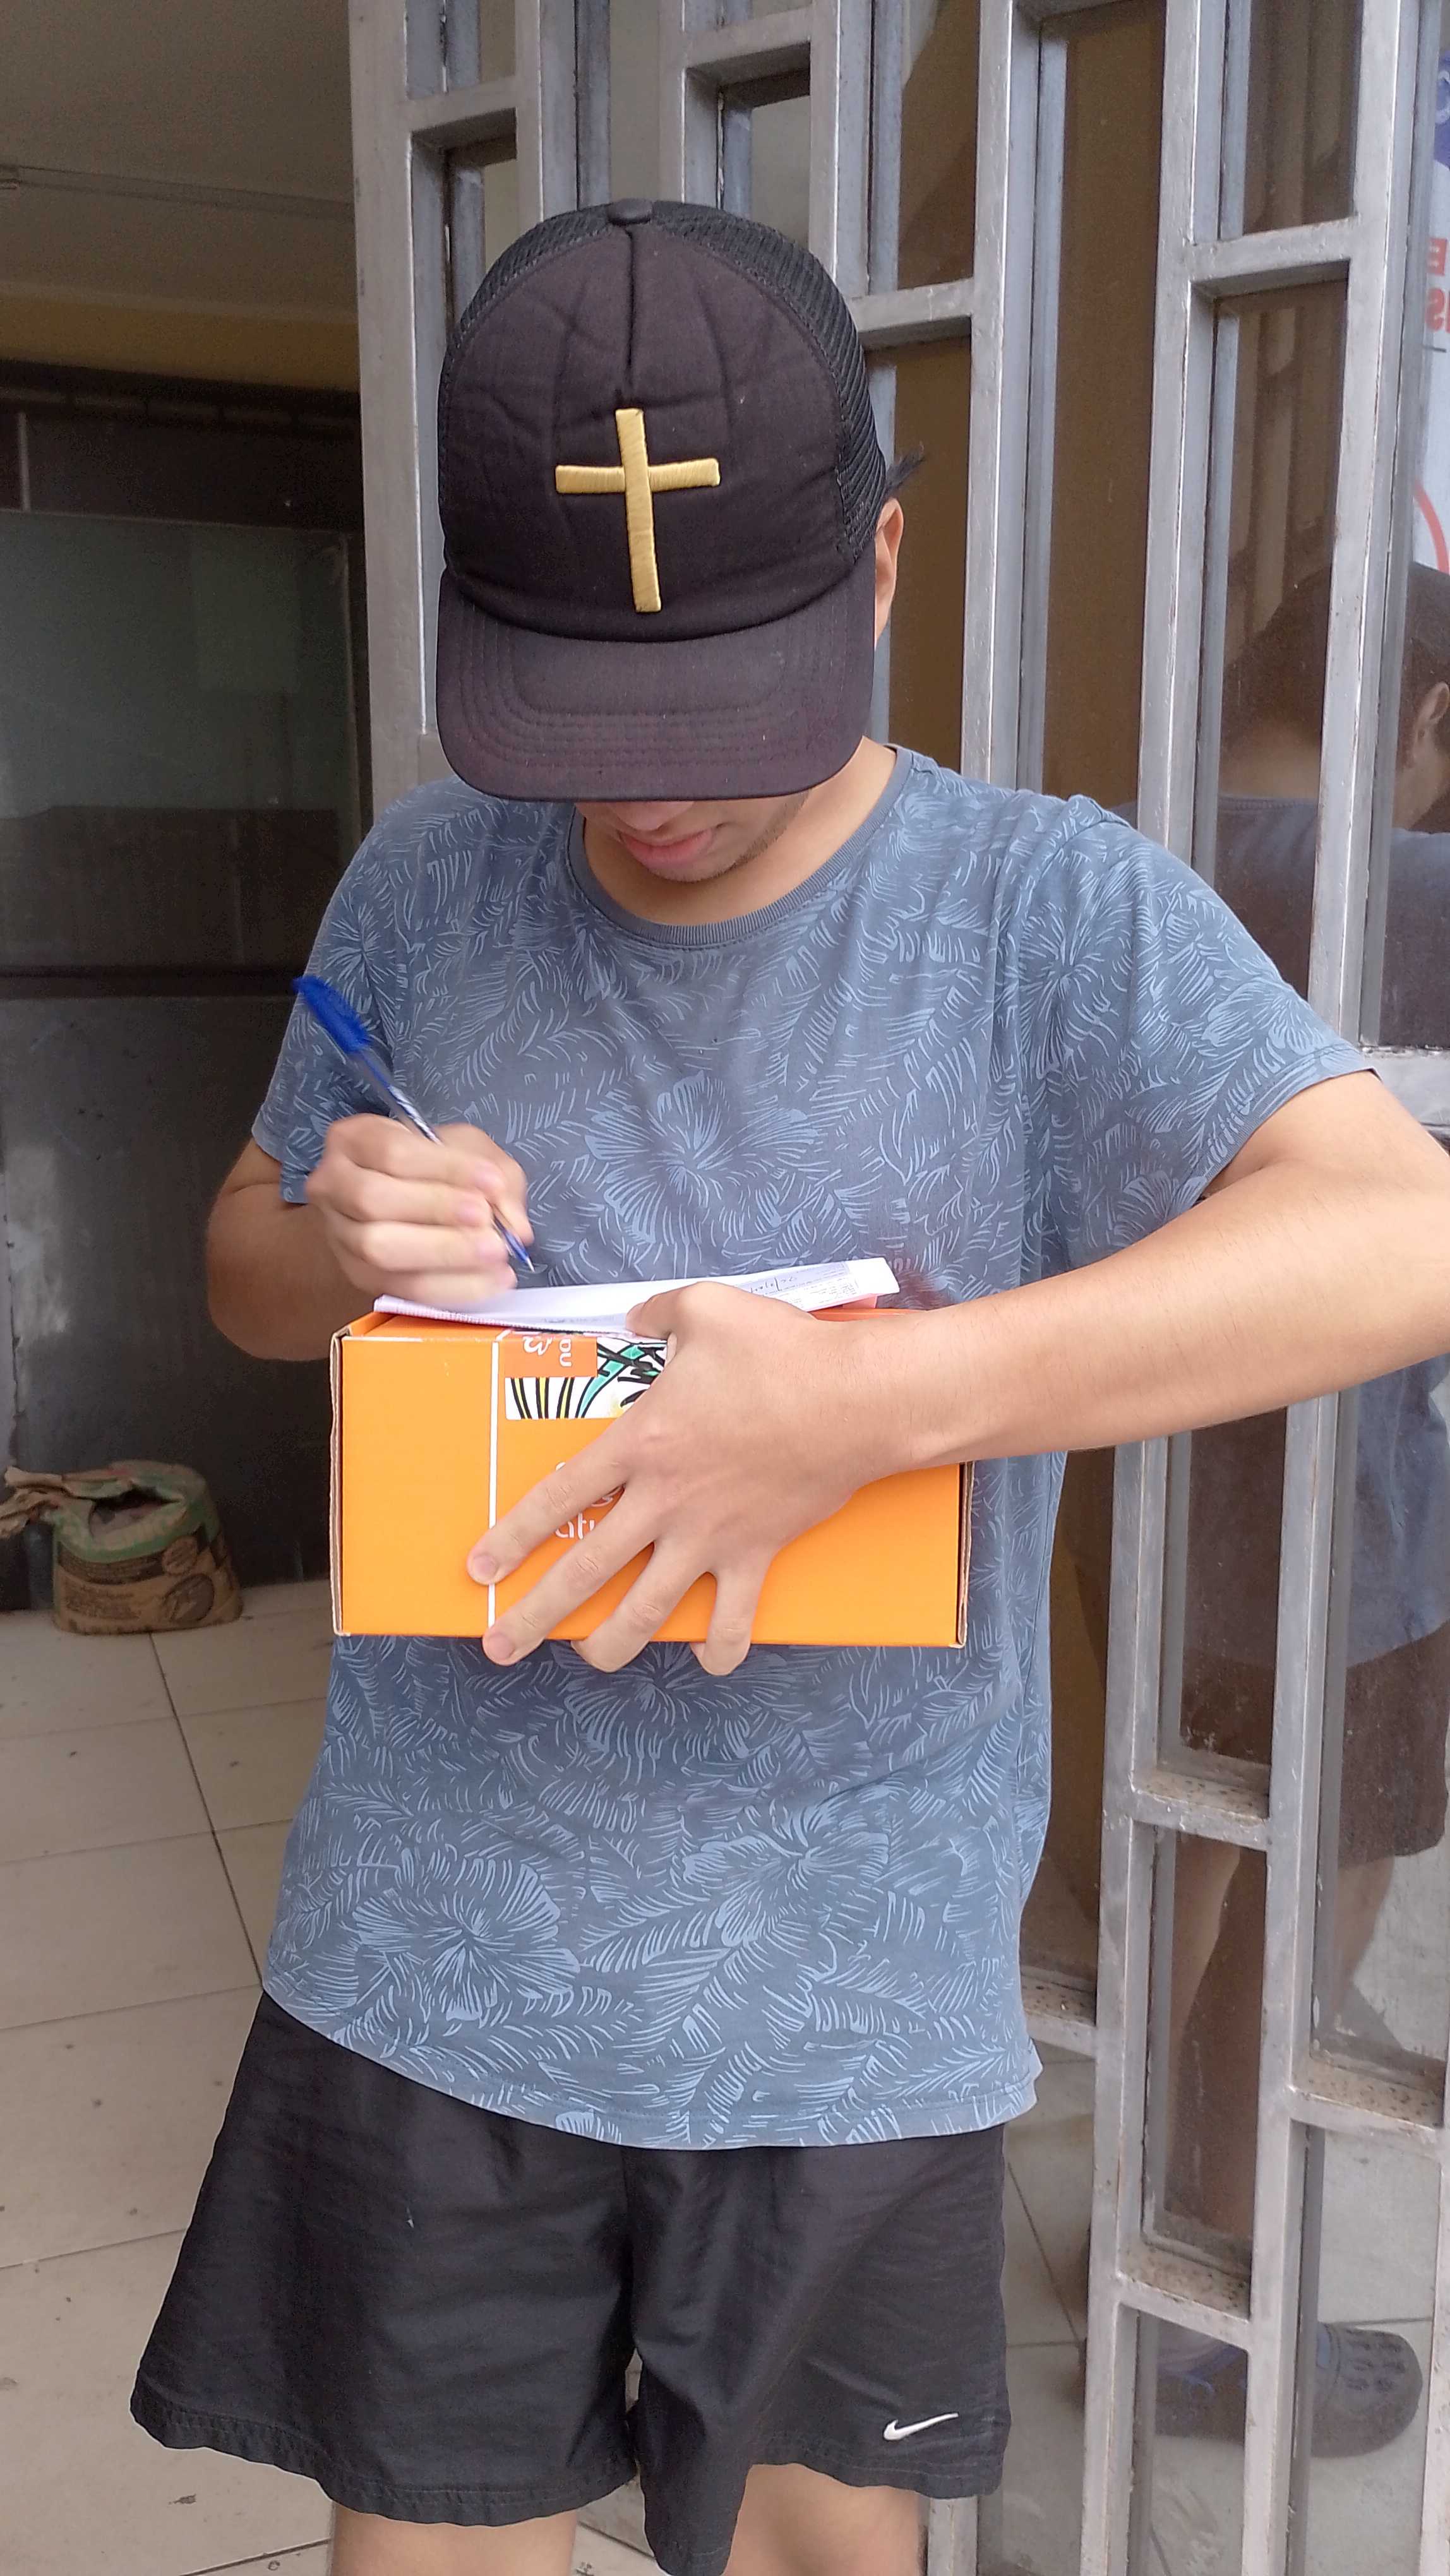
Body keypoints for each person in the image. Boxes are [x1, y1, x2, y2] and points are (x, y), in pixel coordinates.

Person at [130, 203, 1450, 2576]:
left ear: (880, 570)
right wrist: (330, 1242)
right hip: (435, 1955)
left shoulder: (1043, 914)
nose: (653, 802)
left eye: (718, 718)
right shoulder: (426, 889)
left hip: (842, 2002)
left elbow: (1397, 1235)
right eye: (581, 719)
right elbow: (242, 1272)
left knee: (825, 2553)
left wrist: (874, 1404)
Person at [1144, 566, 1450, 2443]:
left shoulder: (1136, 865)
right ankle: (1221, 2314)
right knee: (1313, 1897)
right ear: (1430, 719)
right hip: (1357, 1526)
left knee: (1180, 1851)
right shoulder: (1410, 895)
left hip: (1153, 1503)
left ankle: (1155, 2240)